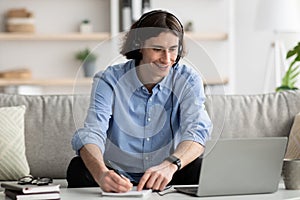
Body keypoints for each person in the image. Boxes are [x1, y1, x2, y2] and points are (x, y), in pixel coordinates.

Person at [67, 10, 212, 193]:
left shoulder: (188, 80)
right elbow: (93, 131)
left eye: (173, 49)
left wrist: (171, 164)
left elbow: (197, 130)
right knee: (78, 168)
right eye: (157, 49)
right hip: (118, 174)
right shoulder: (109, 80)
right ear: (139, 46)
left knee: (200, 168)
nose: (167, 59)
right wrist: (102, 173)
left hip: (167, 173)